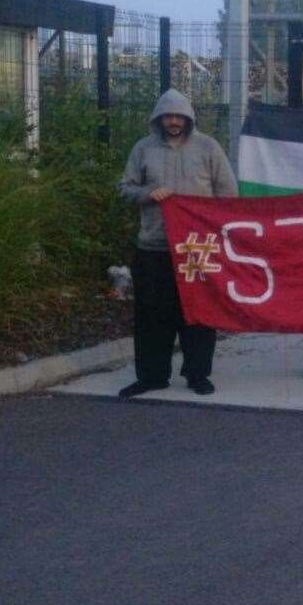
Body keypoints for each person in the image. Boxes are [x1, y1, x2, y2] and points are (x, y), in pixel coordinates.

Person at [116, 89, 238, 398]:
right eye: (167, 116)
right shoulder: (142, 149)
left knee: (198, 313)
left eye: (178, 116)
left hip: (197, 250)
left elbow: (228, 194)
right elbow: (124, 189)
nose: (173, 121)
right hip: (153, 246)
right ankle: (151, 376)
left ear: (188, 118)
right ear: (158, 118)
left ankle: (198, 374)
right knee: (151, 315)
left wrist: (214, 227)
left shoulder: (208, 147)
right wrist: (146, 194)